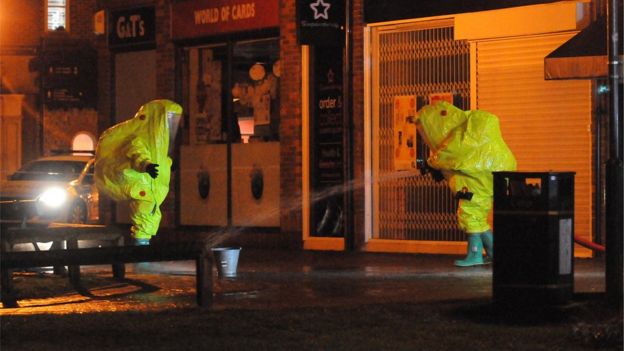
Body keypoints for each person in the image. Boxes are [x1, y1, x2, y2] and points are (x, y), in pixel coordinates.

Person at [415, 101, 516, 266]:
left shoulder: (463, 137)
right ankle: (495, 253)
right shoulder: (477, 136)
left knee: (470, 215)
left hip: (477, 180)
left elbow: (451, 153)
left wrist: (431, 162)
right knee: (477, 217)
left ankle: (474, 255)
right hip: (490, 177)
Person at [94, 99, 183, 245]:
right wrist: (145, 166)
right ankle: (140, 250)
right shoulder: (141, 139)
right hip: (142, 185)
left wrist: (168, 165)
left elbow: (159, 159)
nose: (172, 125)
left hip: (150, 187)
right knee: (144, 216)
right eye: (169, 119)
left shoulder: (159, 144)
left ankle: (142, 248)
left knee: (148, 216)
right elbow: (136, 153)